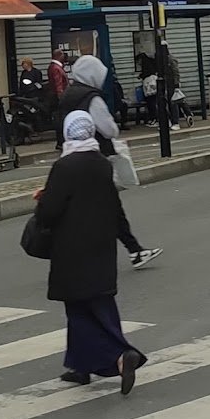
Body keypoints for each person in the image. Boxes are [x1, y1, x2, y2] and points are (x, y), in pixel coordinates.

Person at [35, 111, 147, 394]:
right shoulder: (101, 164)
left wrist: (42, 198)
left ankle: (120, 355)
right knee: (100, 305)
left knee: (78, 309)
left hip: (72, 249)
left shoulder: (64, 166)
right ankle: (80, 366)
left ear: (67, 133)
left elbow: (50, 213)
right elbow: (113, 205)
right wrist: (130, 243)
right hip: (101, 246)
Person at [59, 46, 162, 270]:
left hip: (71, 157)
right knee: (110, 206)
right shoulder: (91, 98)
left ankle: (132, 250)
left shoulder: (68, 94)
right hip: (96, 157)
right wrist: (114, 128)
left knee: (90, 206)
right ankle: (133, 251)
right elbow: (108, 129)